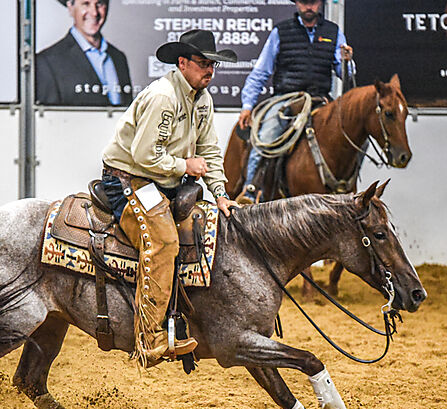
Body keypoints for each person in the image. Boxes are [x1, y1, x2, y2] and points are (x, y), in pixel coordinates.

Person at [101, 30, 240, 366]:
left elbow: (209, 150)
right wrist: (184, 165)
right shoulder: (163, 96)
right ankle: (149, 337)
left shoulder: (202, 99)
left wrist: (221, 194)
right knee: (163, 242)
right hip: (129, 179)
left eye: (213, 64)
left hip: (162, 181)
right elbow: (144, 154)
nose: (210, 70)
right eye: (203, 63)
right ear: (182, 63)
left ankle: (181, 320)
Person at [236, 0, 354, 202]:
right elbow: (260, 72)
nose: (309, 7)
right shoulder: (281, 32)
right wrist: (247, 106)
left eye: (313, 2)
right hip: (285, 99)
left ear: (320, 4)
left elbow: (345, 73)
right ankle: (251, 191)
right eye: (304, 2)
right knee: (265, 138)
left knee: (353, 134)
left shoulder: (334, 32)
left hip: (321, 99)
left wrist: (347, 61)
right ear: (297, 3)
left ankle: (347, 185)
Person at [36, 0, 132, 106]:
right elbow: (48, 115)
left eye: (99, 3)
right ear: (70, 7)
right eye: (86, 4)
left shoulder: (118, 58)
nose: (94, 12)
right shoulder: (47, 62)